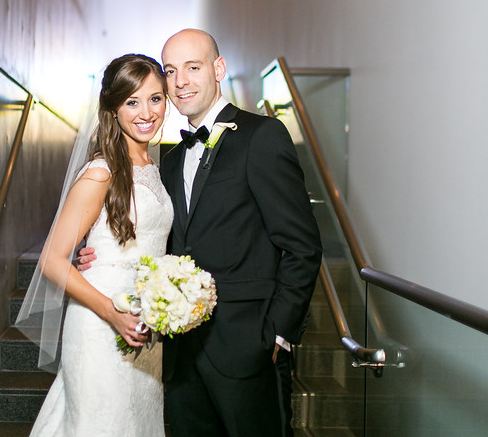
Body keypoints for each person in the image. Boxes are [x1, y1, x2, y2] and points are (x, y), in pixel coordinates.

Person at [79, 29, 322, 436]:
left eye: (193, 68)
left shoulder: (262, 137)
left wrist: (278, 333)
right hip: (180, 353)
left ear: (218, 69)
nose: (181, 82)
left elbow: (302, 246)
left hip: (249, 347)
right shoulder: (168, 162)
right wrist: (91, 256)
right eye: (171, 71)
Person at [16, 53, 173, 436]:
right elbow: (52, 260)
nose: (146, 112)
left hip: (144, 324)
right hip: (101, 322)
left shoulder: (154, 167)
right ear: (113, 109)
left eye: (155, 98)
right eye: (132, 101)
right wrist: (112, 313)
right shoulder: (101, 171)